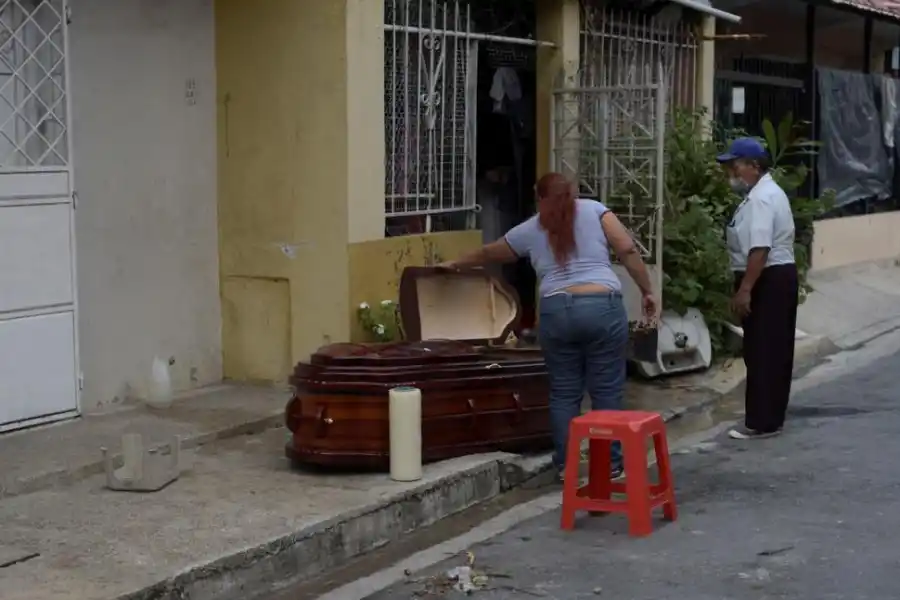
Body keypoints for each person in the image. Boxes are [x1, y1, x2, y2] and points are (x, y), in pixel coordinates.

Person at [438, 172, 657, 480]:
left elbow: (491, 253)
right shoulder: (595, 210)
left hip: (556, 312)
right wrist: (647, 290)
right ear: (573, 193)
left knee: (565, 393)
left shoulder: (530, 229)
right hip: (601, 307)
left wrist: (454, 264)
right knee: (606, 391)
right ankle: (609, 467)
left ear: (540, 199)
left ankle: (570, 467)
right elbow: (628, 249)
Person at [717, 137, 798, 440]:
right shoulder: (766, 193)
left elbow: (759, 248)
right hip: (776, 276)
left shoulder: (761, 199)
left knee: (763, 350)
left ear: (754, 166)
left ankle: (762, 421)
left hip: (767, 278)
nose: (732, 172)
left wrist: (746, 289)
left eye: (736, 165)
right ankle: (770, 417)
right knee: (774, 349)